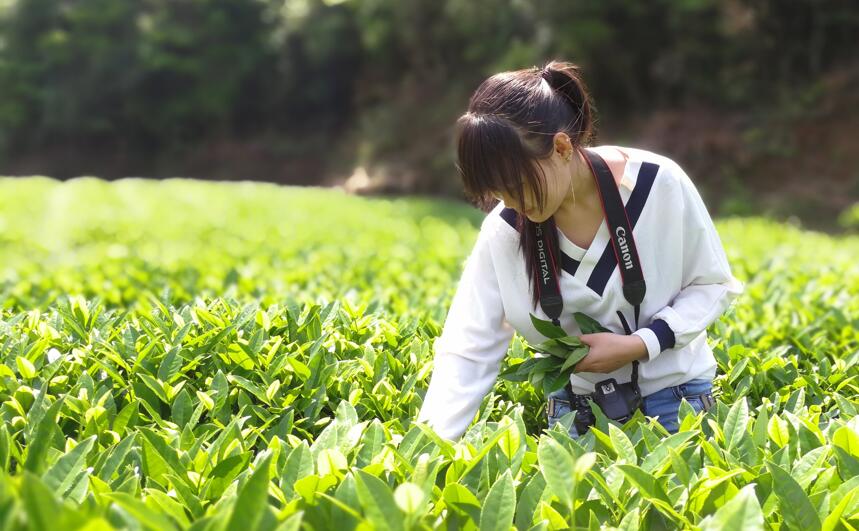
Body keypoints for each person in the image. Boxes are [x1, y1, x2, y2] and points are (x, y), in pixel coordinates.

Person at [415, 60, 745, 442]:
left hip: (677, 401)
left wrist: (641, 343)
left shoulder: (657, 184)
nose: (508, 202)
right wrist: (427, 450)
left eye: (515, 185)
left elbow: (712, 285)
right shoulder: (504, 229)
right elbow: (468, 350)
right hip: (577, 412)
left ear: (560, 147)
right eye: (496, 191)